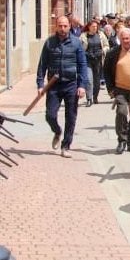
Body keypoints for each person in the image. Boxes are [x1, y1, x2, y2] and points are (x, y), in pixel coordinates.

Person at [36, 15, 89, 158]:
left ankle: (66, 146)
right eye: (60, 25)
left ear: (69, 26)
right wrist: (40, 84)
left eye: (65, 26)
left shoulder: (76, 43)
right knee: (50, 115)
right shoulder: (49, 43)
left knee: (71, 117)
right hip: (53, 85)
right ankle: (57, 131)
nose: (62, 28)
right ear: (56, 26)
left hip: (71, 84)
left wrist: (82, 85)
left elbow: (82, 65)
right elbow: (42, 65)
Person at [103, 28, 130, 154]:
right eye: (123, 38)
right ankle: (122, 140)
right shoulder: (113, 53)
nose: (126, 41)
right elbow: (107, 72)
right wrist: (110, 89)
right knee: (121, 112)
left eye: (128, 38)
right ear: (119, 39)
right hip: (120, 90)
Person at [79, 19, 109, 106]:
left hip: (98, 60)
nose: (95, 28)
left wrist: (103, 51)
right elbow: (79, 48)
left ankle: (95, 96)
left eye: (96, 27)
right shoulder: (83, 36)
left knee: (97, 81)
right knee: (89, 79)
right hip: (88, 60)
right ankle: (89, 98)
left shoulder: (101, 35)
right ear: (89, 27)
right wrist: (86, 53)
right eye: (93, 26)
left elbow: (107, 45)